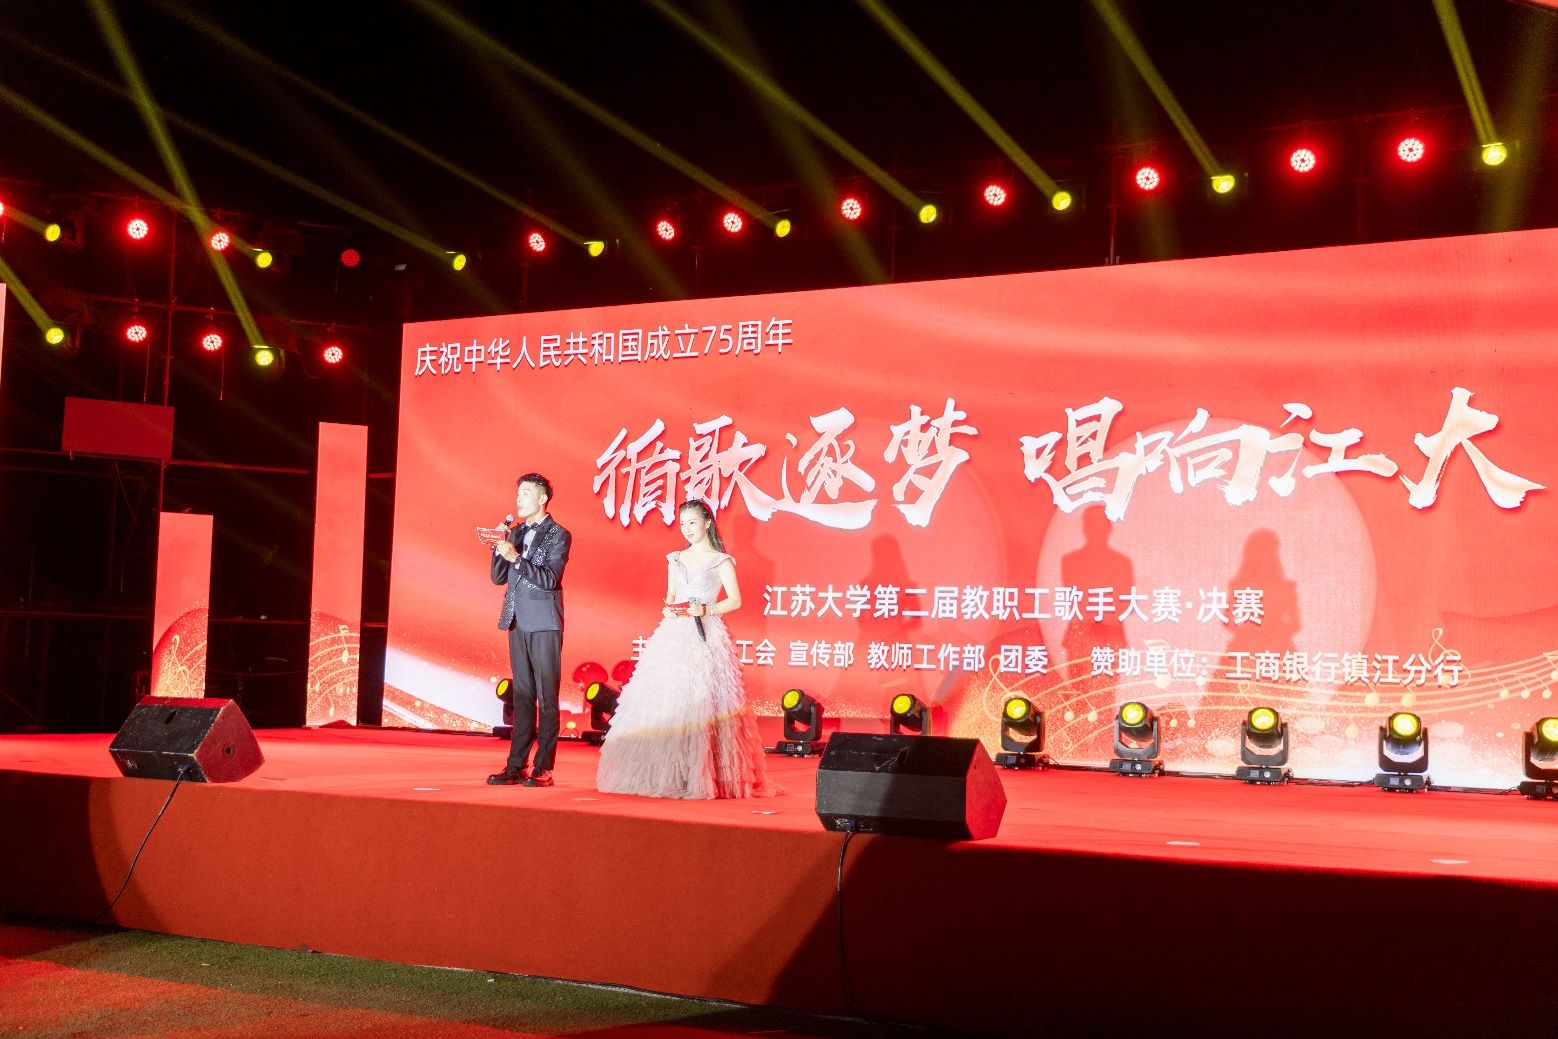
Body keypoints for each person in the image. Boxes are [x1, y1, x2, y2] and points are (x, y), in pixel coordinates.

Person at [595, 500, 776, 800]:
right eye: (683, 524)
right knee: (664, 698)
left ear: (707, 523)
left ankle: (703, 776)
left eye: (692, 522)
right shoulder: (675, 559)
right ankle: (661, 774)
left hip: (705, 634)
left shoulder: (721, 561)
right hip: (673, 634)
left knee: (702, 699)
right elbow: (670, 595)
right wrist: (668, 609)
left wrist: (706, 609)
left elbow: (735, 600)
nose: (687, 529)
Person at [487, 474, 571, 788]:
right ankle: (515, 765)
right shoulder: (517, 532)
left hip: (545, 621)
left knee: (547, 696)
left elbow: (549, 579)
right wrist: (499, 547)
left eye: (525, 494)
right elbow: (498, 578)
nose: (519, 500)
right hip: (517, 620)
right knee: (522, 695)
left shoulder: (559, 534)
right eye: (518, 494)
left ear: (542, 498)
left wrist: (516, 557)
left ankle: (543, 767)